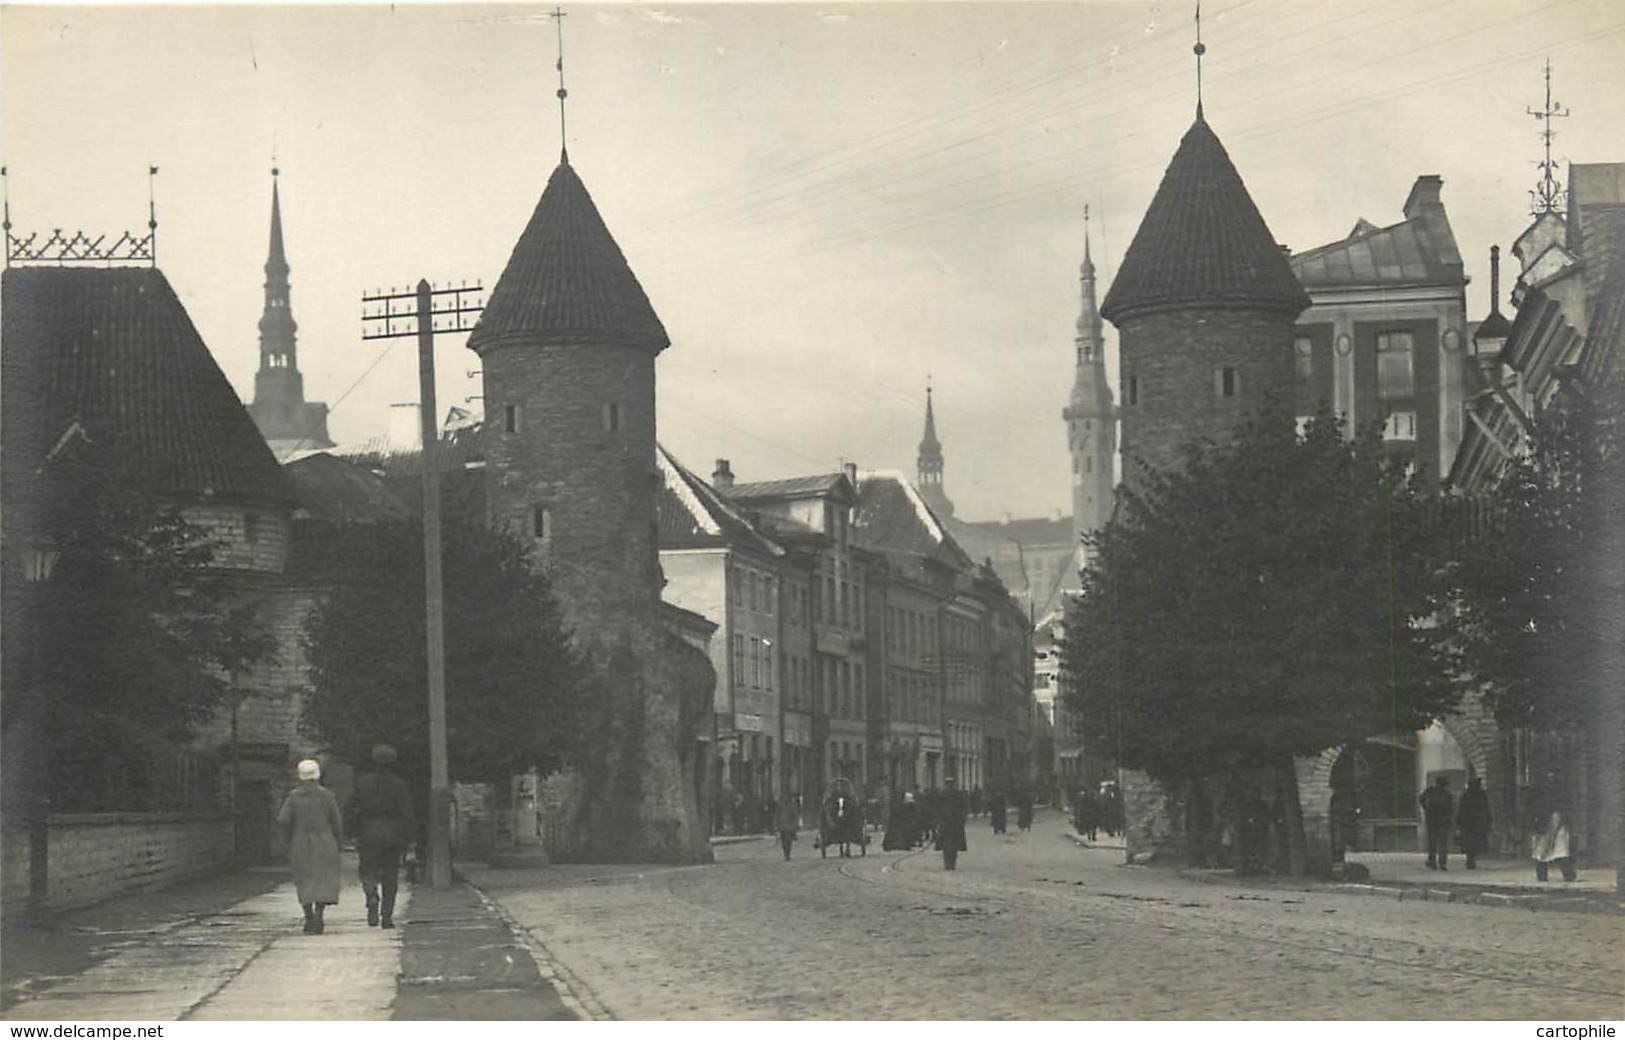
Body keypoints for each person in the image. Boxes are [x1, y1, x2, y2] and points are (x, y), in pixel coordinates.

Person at [348, 744, 414, 929]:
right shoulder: (399, 784)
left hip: (368, 831)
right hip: (393, 833)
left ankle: (371, 895)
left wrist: (353, 832)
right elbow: (406, 812)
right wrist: (408, 838)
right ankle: (387, 916)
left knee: (368, 870)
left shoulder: (362, 783)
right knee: (390, 875)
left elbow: (351, 809)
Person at [276, 758, 343, 935]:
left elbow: (283, 819)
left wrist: (287, 839)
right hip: (325, 840)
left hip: (301, 841)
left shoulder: (294, 797)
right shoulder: (327, 796)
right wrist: (339, 842)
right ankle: (319, 913)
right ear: (317, 775)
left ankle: (308, 917)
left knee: (304, 878)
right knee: (324, 878)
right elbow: (337, 822)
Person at [1419, 776, 1455, 871]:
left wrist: (1426, 808)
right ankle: (1442, 863)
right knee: (1442, 843)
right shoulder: (1446, 794)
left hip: (1432, 821)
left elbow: (1421, 799)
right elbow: (1451, 809)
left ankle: (1432, 862)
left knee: (1432, 843)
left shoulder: (1430, 792)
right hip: (1443, 822)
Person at [1455, 777, 1491, 870]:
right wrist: (1488, 821)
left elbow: (1461, 810)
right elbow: (1486, 809)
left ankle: (1470, 859)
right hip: (1477, 822)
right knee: (1474, 841)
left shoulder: (1466, 795)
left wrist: (1459, 823)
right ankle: (1471, 859)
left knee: (1470, 842)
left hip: (1468, 823)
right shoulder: (1481, 795)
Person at [1532, 810, 1577, 882]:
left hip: (1553, 826)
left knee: (1559, 853)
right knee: (1543, 854)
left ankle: (1569, 875)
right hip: (1546, 825)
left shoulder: (1555, 815)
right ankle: (1542, 876)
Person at [935, 777, 968, 870]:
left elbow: (938, 808)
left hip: (947, 823)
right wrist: (962, 819)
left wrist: (938, 820)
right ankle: (952, 863)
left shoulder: (943, 794)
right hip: (954, 824)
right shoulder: (957, 794)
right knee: (953, 844)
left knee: (947, 845)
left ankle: (948, 863)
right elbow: (963, 808)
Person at [776, 793, 801, 860]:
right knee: (783, 841)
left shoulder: (792, 806)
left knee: (788, 841)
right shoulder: (780, 806)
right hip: (782, 826)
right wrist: (776, 824)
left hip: (789, 827)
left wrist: (795, 825)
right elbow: (777, 815)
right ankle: (785, 853)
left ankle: (787, 854)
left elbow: (795, 815)